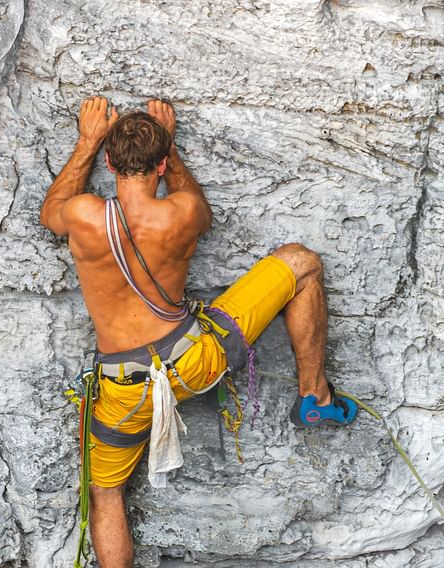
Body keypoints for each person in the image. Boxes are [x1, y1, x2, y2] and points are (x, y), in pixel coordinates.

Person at [40, 96, 357, 568]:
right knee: (301, 263)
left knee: (105, 493)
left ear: (108, 162)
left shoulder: (83, 215)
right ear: (163, 163)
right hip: (195, 360)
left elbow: (51, 211)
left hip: (126, 392)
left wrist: (85, 141)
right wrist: (173, 151)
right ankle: (316, 397)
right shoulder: (181, 213)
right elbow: (199, 209)